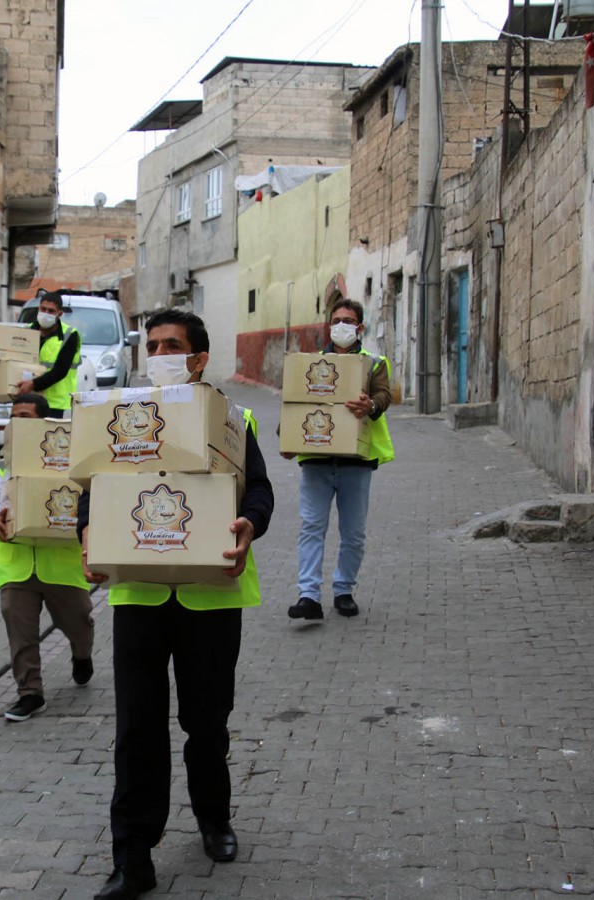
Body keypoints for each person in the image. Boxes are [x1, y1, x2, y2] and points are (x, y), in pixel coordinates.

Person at [78, 310, 274, 900]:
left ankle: (215, 818)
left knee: (205, 721)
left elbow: (258, 489)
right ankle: (133, 856)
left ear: (197, 359)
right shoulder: (123, 417)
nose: (159, 352)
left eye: (173, 346)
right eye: (153, 344)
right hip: (139, 592)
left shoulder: (232, 419)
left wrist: (250, 524)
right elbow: (91, 483)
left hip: (212, 594)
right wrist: (87, 532)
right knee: (137, 727)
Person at [0, 392, 95, 722]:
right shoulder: (3, 458)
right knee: (20, 631)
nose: (18, 422)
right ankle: (30, 693)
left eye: (26, 417)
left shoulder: (68, 455)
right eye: (14, 415)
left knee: (79, 624)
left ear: (43, 422)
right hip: (15, 562)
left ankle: (82, 654)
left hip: (62, 563)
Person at [286, 298, 394, 623]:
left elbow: (384, 395)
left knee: (354, 533)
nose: (342, 326)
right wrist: (287, 437)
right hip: (317, 461)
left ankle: (344, 591)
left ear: (359, 327)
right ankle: (308, 596)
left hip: (356, 462)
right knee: (311, 528)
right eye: (337, 320)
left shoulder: (373, 362)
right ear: (329, 325)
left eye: (348, 320)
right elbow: (295, 403)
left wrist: (370, 405)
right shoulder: (310, 365)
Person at [15, 290, 81, 416]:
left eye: (51, 311)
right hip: (26, 400)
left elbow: (60, 371)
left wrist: (33, 384)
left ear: (59, 314)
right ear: (38, 308)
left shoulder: (69, 335)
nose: (46, 313)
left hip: (54, 403)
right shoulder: (26, 332)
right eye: (43, 309)